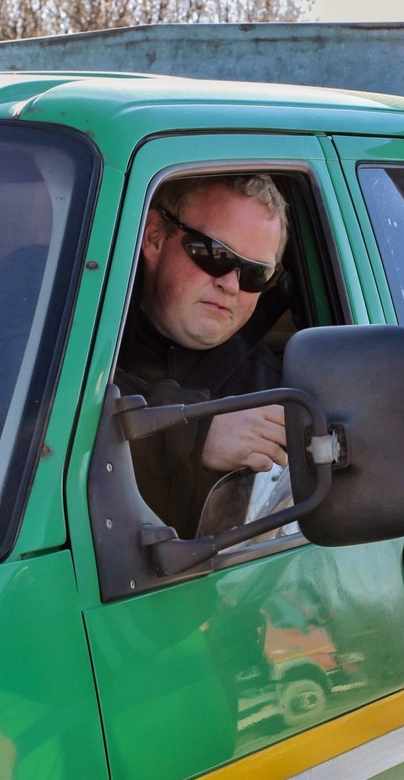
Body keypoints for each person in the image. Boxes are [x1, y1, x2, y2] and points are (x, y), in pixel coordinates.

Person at [115, 174, 290, 538]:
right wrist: (194, 431)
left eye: (255, 274)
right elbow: (50, 408)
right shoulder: (74, 325)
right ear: (154, 238)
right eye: (215, 254)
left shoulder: (275, 393)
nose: (230, 283)